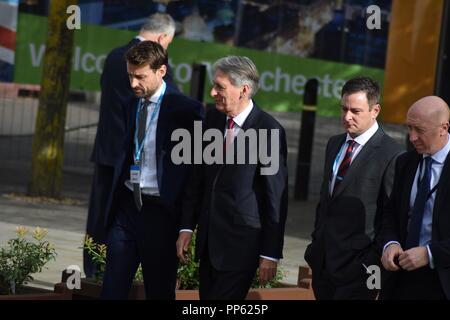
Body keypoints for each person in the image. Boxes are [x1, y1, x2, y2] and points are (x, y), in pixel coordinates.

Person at [176, 56, 288, 300]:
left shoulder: (268, 130)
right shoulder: (212, 120)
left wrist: (270, 252)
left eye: (220, 87)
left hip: (241, 246)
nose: (212, 92)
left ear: (244, 90)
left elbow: (275, 196)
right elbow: (198, 179)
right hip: (208, 244)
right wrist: (187, 226)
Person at [100, 41, 204, 299]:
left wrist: (186, 224)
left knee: (159, 290)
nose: (134, 83)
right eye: (130, 76)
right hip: (127, 209)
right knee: (111, 290)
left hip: (161, 214)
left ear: (162, 71)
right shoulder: (131, 104)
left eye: (140, 77)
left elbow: (194, 173)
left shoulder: (186, 111)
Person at [85, 13, 177, 278]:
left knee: (99, 215)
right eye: (169, 42)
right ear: (162, 37)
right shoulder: (154, 64)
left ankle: (93, 270)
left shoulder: (115, 55)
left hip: (106, 149)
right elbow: (172, 102)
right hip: (134, 155)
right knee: (127, 218)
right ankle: (113, 270)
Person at [304, 76, 403, 300]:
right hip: (323, 263)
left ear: (375, 110)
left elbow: (390, 215)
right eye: (344, 109)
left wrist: (372, 264)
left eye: (355, 111)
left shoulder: (392, 154)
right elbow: (326, 199)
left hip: (361, 270)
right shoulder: (335, 143)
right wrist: (316, 244)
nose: (347, 117)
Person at [379, 96, 450, 300]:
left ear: (443, 128)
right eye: (409, 128)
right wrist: (390, 243)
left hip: (442, 281)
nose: (412, 137)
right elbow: (390, 213)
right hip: (400, 279)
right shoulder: (405, 162)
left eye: (419, 130)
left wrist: (430, 254)